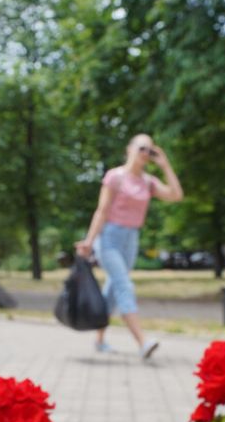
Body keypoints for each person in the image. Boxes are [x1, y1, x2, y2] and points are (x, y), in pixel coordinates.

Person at [75, 133, 183, 358]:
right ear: (129, 149)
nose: (146, 154)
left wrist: (164, 164)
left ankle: (99, 339)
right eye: (142, 148)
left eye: (150, 151)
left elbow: (176, 195)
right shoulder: (115, 177)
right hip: (109, 238)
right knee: (125, 286)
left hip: (131, 239)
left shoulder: (148, 181)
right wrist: (88, 241)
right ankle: (143, 342)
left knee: (113, 290)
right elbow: (102, 211)